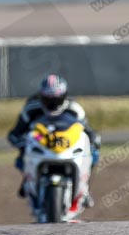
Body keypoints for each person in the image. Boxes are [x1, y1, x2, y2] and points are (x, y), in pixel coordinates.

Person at [7, 74, 101, 202]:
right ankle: (28, 181)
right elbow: (14, 134)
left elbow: (88, 132)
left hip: (67, 144)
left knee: (94, 154)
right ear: (41, 97)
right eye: (48, 100)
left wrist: (94, 140)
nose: (52, 104)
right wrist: (24, 144)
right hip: (41, 143)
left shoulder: (74, 109)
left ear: (64, 96)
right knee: (20, 159)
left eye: (56, 100)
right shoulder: (31, 109)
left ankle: (84, 189)